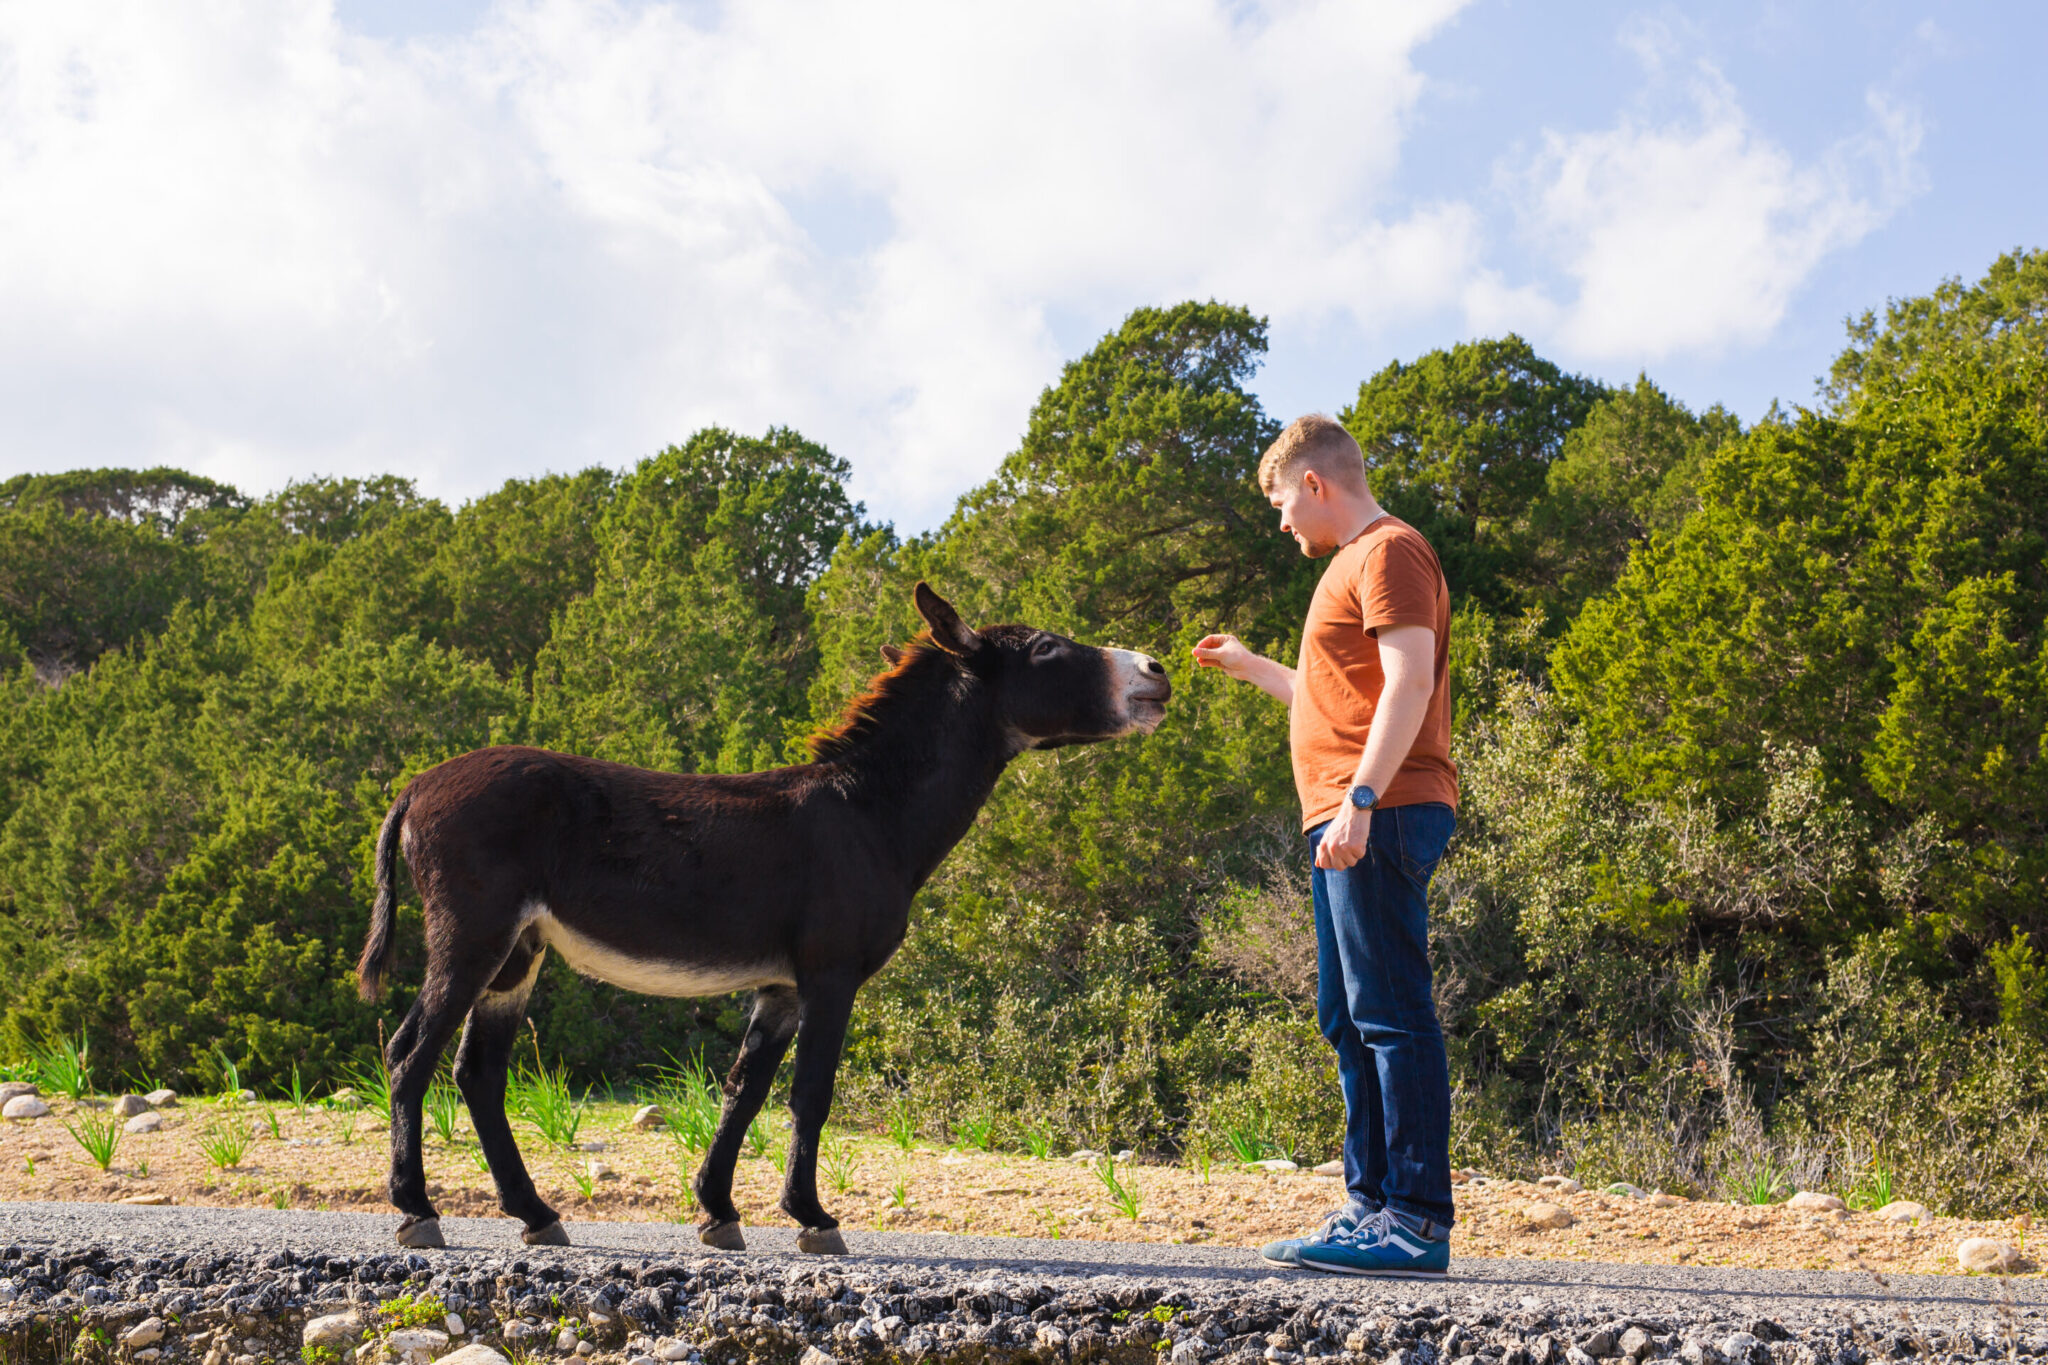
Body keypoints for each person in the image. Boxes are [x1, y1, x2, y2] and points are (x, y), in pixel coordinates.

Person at [1193, 413, 1459, 1278]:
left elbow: (1408, 681)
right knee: (1347, 1018)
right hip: (1346, 816)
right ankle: (1370, 1207)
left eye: (1281, 502)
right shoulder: (1352, 564)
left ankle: (1413, 1220)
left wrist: (1363, 799)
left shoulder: (1390, 551)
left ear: (1315, 483)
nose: (1281, 522)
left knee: (1391, 1014)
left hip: (1379, 810)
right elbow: (1333, 697)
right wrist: (1251, 666)